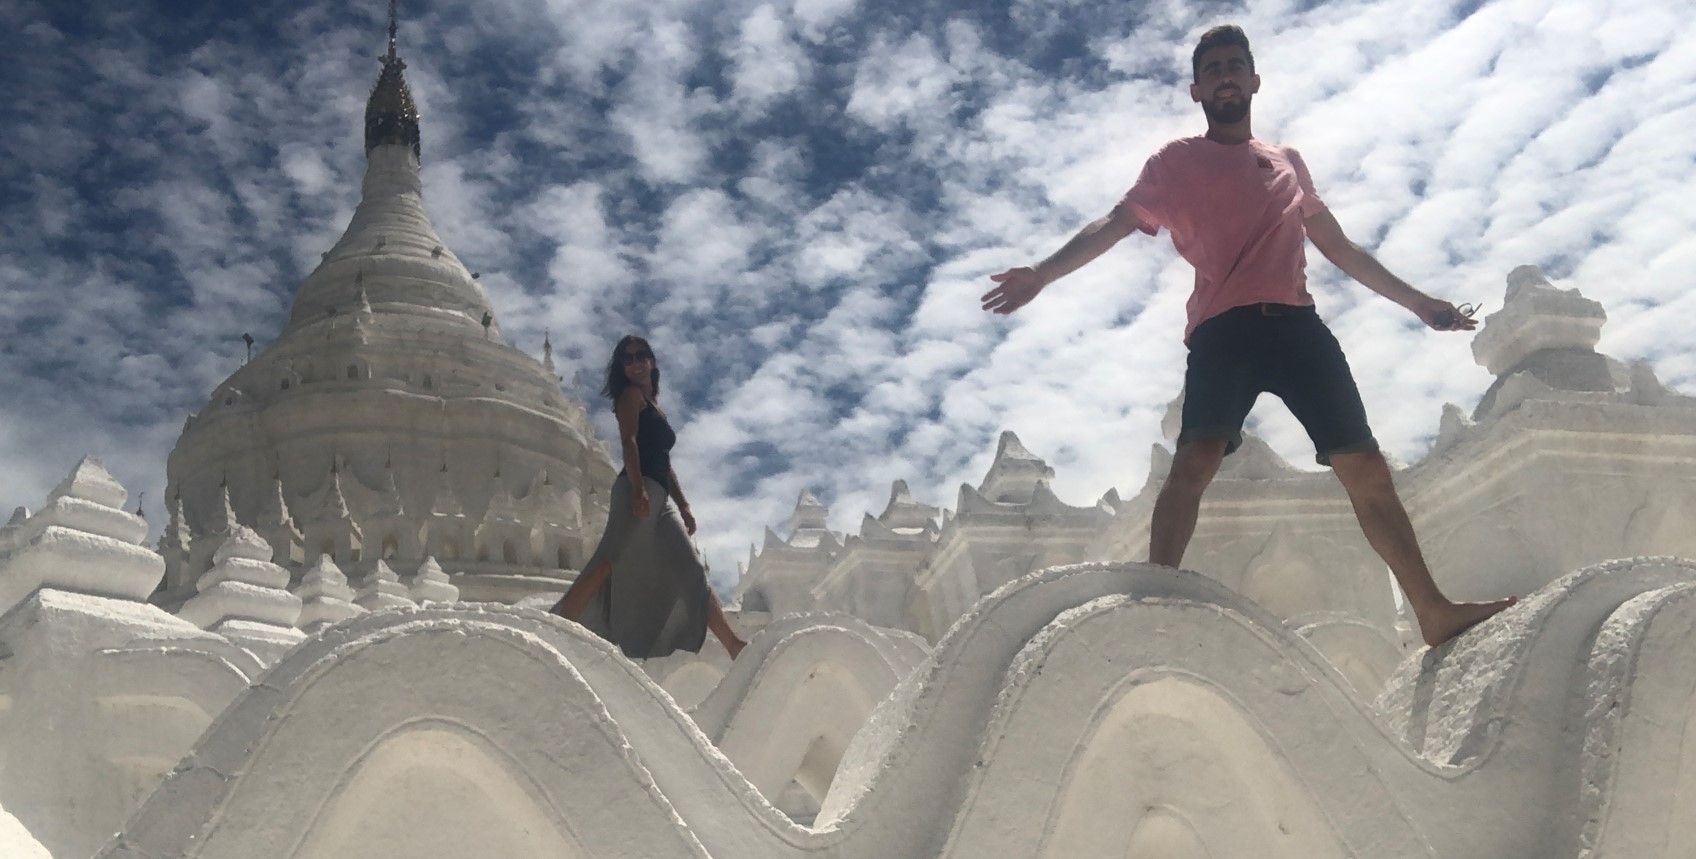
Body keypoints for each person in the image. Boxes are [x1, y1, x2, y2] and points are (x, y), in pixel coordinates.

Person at [980, 24, 1514, 647]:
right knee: (1196, 459)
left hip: (1298, 327)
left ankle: (1432, 610)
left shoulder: (1287, 161)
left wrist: (1421, 303)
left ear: (1254, 81)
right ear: (1196, 89)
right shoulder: (1174, 162)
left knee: (1366, 466)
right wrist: (1043, 273)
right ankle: (1153, 602)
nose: (1225, 76)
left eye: (1235, 65)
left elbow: (1337, 245)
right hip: (1222, 331)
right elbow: (1116, 221)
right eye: (1213, 70)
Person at [550, 335, 748, 659]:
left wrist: (683, 505)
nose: (636, 361)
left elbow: (665, 463)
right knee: (609, 561)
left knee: (691, 569)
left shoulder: (654, 406)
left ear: (652, 362)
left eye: (642, 355)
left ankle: (734, 645)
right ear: (622, 368)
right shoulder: (629, 396)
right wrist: (638, 488)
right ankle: (559, 622)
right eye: (627, 358)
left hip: (661, 496)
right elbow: (629, 441)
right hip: (636, 487)